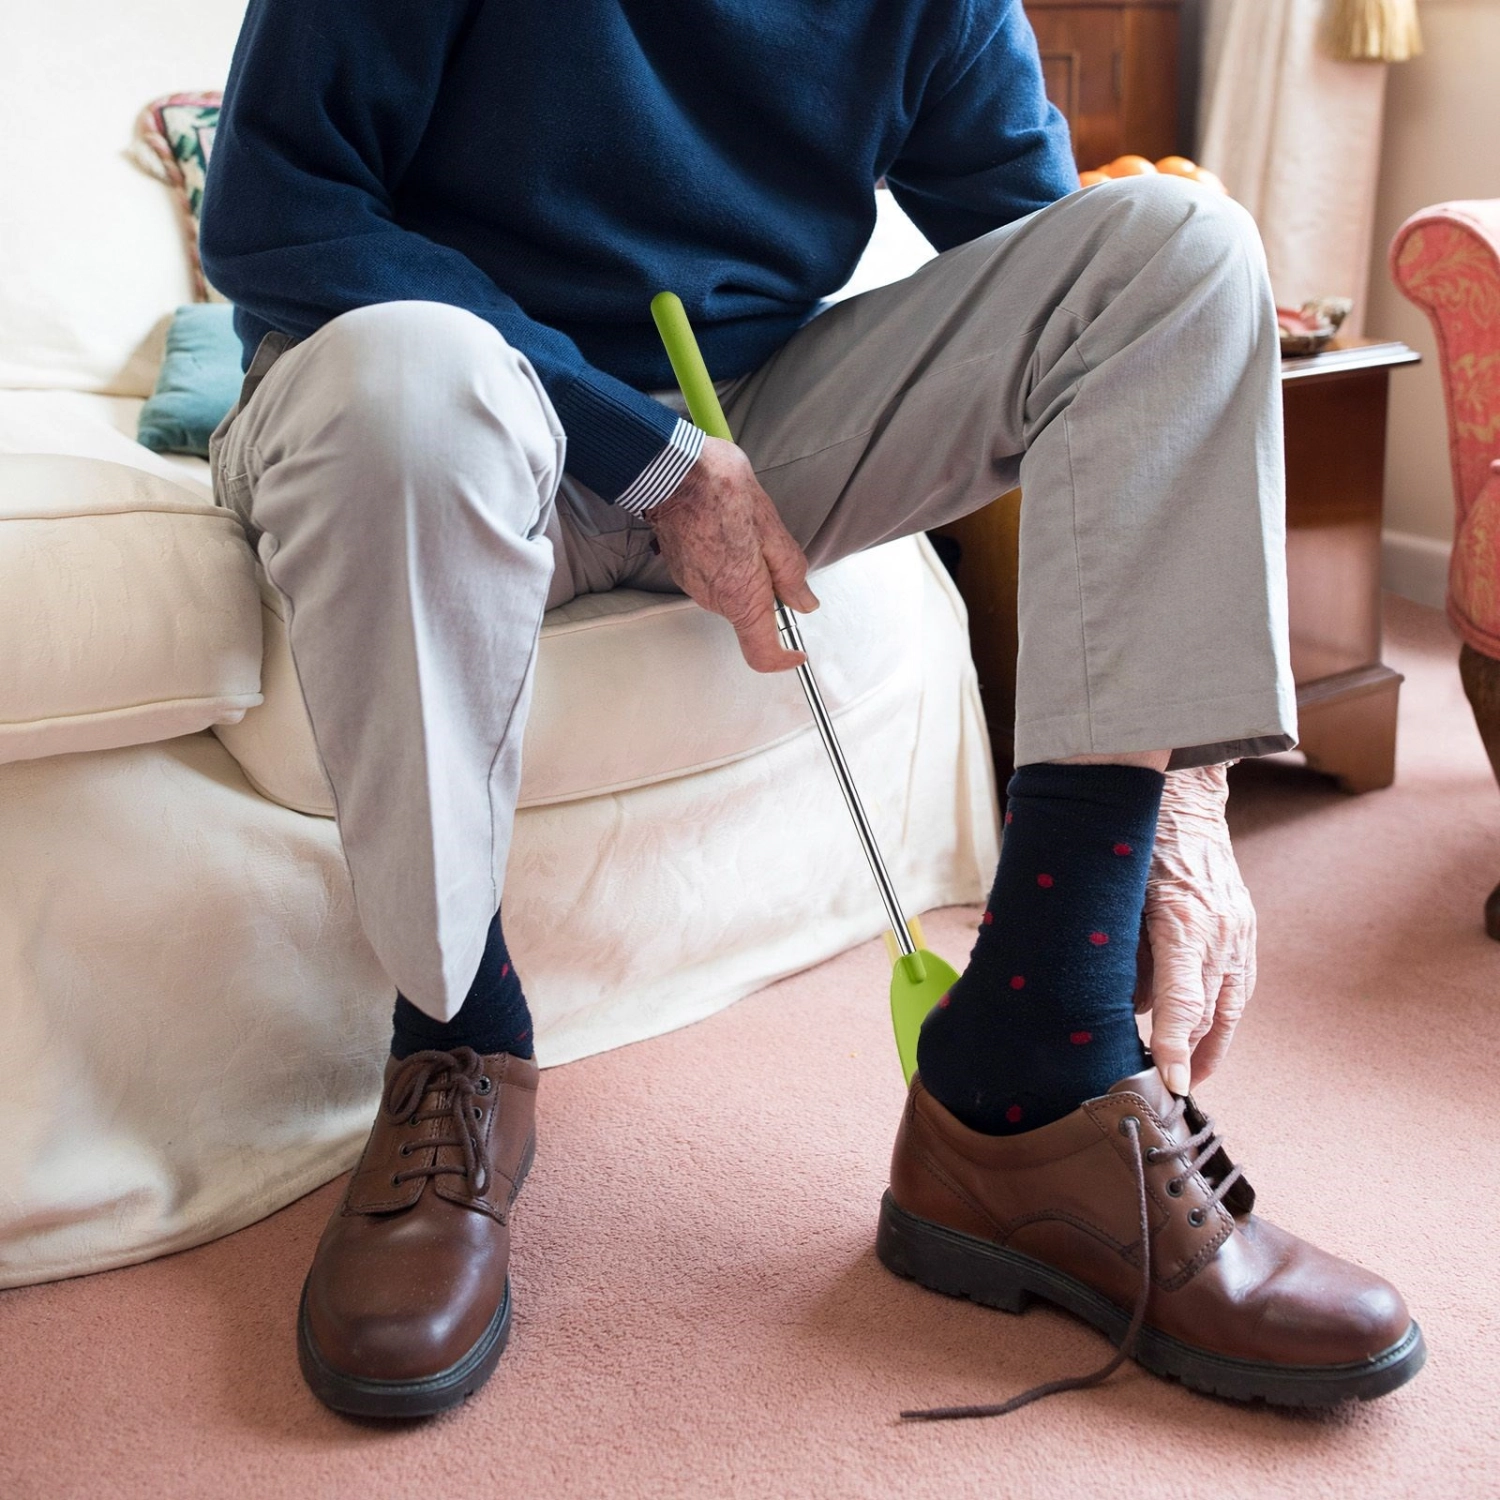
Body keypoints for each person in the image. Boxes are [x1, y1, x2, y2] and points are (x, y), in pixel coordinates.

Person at [199, 0, 1425, 1421]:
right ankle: (455, 1040)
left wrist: (1188, 796)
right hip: (430, 403)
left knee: (1177, 255)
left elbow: (1070, 287)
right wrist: (649, 455)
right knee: (414, 381)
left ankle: (1033, 1080)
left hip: (745, 413)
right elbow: (275, 212)